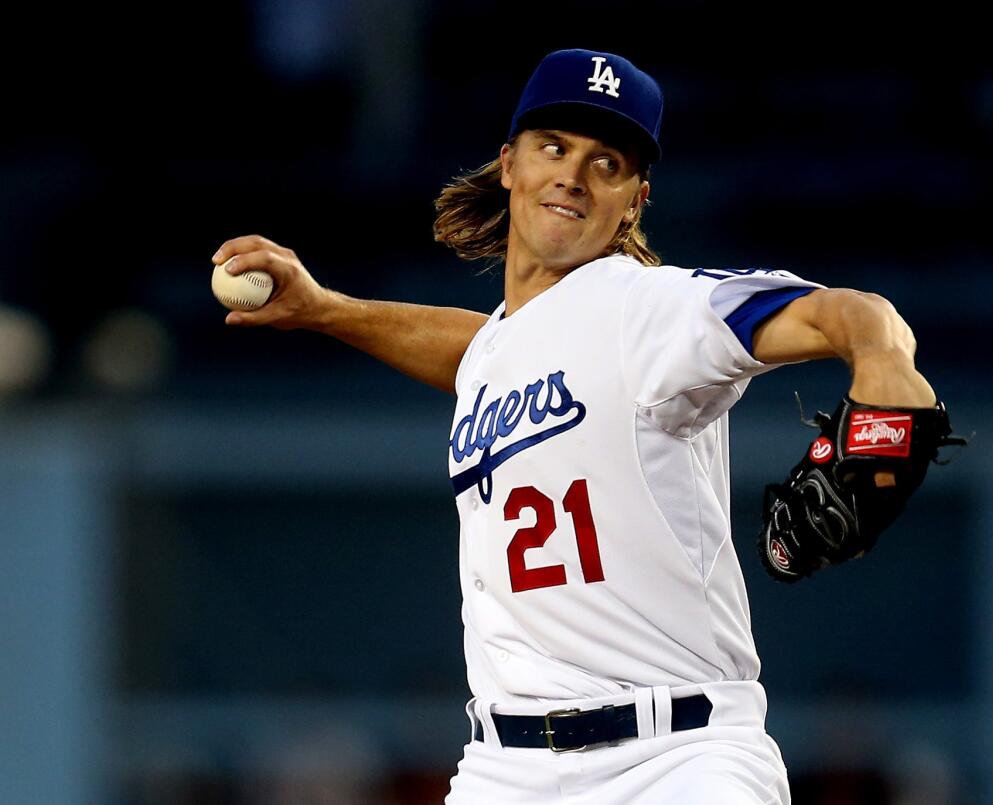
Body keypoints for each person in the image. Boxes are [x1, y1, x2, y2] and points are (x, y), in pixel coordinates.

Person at [211, 48, 938, 805]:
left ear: (634, 200)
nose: (573, 175)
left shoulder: (649, 308)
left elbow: (840, 311)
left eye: (607, 162)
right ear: (508, 164)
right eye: (554, 147)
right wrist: (328, 310)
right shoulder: (503, 345)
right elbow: (479, 350)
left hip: (676, 758)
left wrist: (881, 351)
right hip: (506, 766)